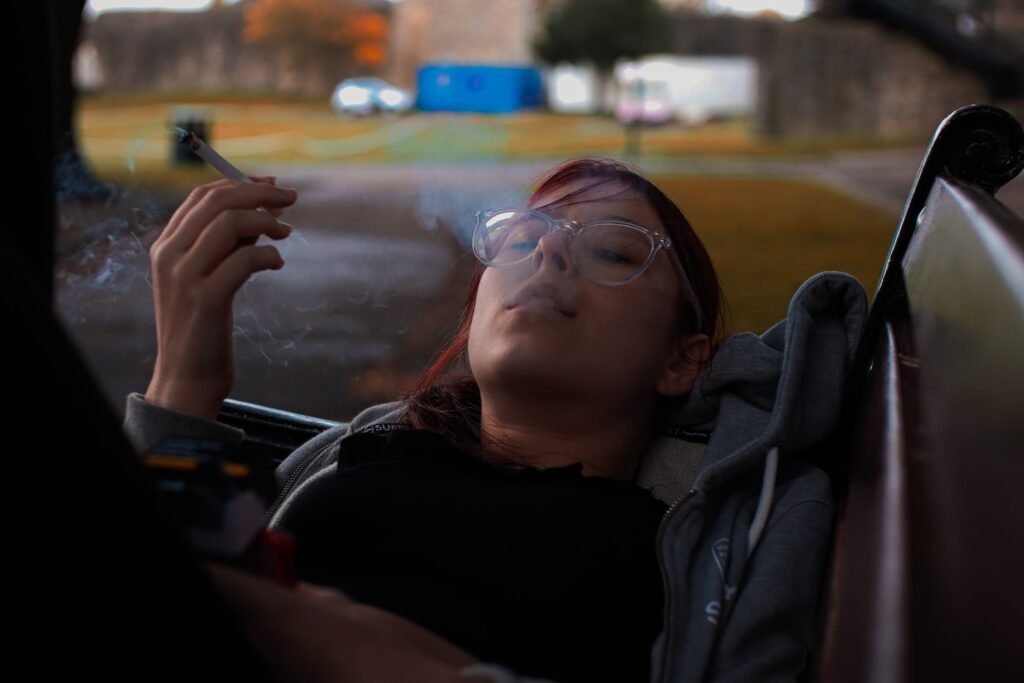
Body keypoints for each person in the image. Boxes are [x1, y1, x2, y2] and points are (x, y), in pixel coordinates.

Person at [123, 156, 868, 683]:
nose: (546, 248)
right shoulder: (361, 449)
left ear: (683, 360)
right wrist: (185, 384)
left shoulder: (724, 529)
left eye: (614, 249)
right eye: (522, 236)